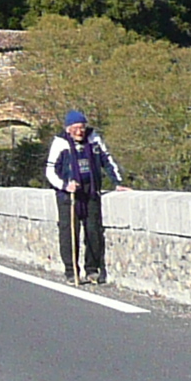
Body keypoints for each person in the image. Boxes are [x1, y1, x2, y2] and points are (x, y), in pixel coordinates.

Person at [47, 110, 123, 284]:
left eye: (82, 128)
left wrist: (117, 182)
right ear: (68, 129)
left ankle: (92, 269)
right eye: (75, 128)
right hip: (69, 195)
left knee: (93, 232)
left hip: (91, 192)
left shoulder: (94, 140)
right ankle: (71, 270)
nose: (79, 132)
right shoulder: (60, 143)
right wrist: (65, 185)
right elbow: (50, 171)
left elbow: (107, 160)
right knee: (69, 233)